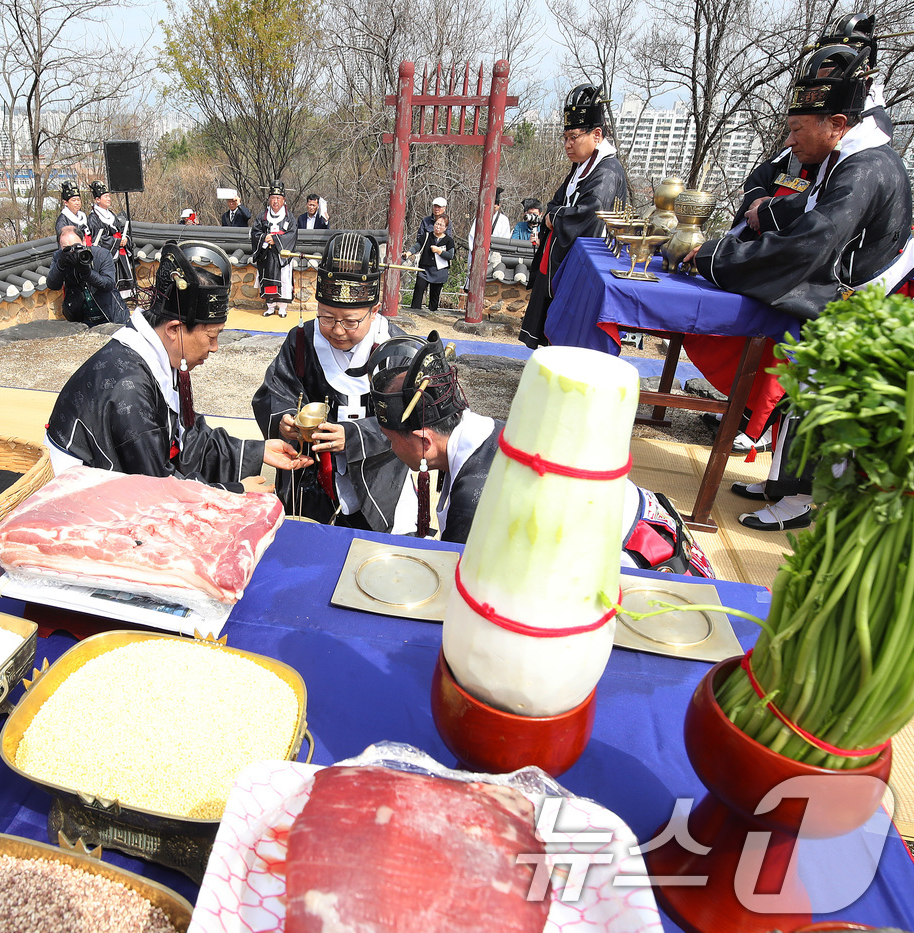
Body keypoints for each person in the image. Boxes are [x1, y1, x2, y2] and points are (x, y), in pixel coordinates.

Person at [685, 16, 913, 531]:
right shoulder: (845, 156)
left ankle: (799, 499)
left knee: (816, 399)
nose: (791, 142)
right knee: (795, 393)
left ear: (836, 123)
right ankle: (780, 483)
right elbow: (804, 206)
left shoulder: (864, 168)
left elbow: (808, 244)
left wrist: (712, 258)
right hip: (845, 291)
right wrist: (763, 214)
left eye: (796, 130)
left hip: (864, 301)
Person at [365, 332, 715, 574]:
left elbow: (465, 594)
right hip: (665, 535)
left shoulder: (476, 501)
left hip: (649, 572)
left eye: (392, 439)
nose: (391, 449)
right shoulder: (497, 428)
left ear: (424, 441)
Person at [45, 240, 311, 491]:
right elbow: (155, 490)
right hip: (86, 503)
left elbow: (186, 437)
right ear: (174, 329)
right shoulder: (129, 388)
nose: (215, 347)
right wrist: (233, 492)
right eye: (211, 336)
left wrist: (257, 451)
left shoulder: (156, 355)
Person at [252, 233, 416, 533]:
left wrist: (352, 436)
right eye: (327, 317)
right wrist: (285, 420)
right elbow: (274, 393)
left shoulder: (398, 349)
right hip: (311, 477)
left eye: (351, 321)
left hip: (378, 480)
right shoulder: (301, 340)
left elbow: (411, 418)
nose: (337, 330)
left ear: (374, 311)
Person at [518, 84, 628, 349]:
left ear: (596, 134)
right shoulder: (581, 167)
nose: (567, 144)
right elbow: (556, 203)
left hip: (585, 265)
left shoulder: (607, 171)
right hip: (562, 256)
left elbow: (588, 215)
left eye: (574, 137)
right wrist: (554, 214)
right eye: (564, 137)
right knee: (554, 326)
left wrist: (554, 217)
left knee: (574, 332)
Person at [45, 226, 129, 327]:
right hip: (81, 319)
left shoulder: (101, 254)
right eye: (66, 248)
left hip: (111, 315)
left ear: (84, 241)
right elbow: (53, 285)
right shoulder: (59, 257)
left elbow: (108, 284)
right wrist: (61, 264)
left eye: (76, 246)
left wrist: (87, 273)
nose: (72, 251)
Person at [251, 181, 297, 317]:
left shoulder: (289, 218)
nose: (275, 201)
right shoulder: (262, 216)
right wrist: (265, 238)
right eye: (272, 198)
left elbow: (292, 234)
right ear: (269, 200)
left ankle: (282, 308)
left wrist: (276, 240)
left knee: (284, 279)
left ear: (283, 200)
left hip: (281, 255)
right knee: (267, 279)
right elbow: (255, 232)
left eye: (278, 198)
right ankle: (270, 306)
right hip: (267, 254)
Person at [87, 180, 135, 298]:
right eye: (105, 196)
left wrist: (125, 239)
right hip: (109, 254)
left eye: (109, 196)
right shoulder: (93, 218)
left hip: (120, 252)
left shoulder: (112, 215)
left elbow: (121, 229)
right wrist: (118, 242)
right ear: (97, 199)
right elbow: (98, 239)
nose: (109, 199)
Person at [406, 215, 454, 312]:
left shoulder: (449, 240)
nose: (438, 227)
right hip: (424, 269)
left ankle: (432, 312)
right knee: (419, 289)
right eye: (436, 224)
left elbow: (450, 255)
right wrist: (408, 253)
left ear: (445, 228)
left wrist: (439, 251)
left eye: (441, 225)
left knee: (434, 295)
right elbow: (417, 246)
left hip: (440, 271)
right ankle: (414, 311)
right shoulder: (427, 236)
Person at [466, 187, 512, 256]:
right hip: (479, 251)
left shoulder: (504, 220)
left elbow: (505, 238)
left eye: (495, 207)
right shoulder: (480, 217)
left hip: (495, 252)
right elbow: (472, 235)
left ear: (499, 206)